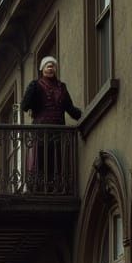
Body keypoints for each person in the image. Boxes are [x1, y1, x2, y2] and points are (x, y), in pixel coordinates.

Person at [21, 56, 82, 192]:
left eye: (53, 66)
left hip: (58, 131)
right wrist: (31, 98)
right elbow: (24, 105)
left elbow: (69, 107)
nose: (51, 68)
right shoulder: (36, 85)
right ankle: (38, 185)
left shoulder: (61, 87)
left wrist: (82, 115)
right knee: (41, 159)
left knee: (55, 159)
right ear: (42, 69)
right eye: (48, 66)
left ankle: (55, 185)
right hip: (41, 130)